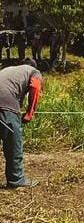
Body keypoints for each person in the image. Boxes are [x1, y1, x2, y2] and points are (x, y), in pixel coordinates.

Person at [0, 58, 42, 188]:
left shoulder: (9, 70)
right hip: (6, 104)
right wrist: (29, 114)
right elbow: (35, 88)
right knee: (13, 144)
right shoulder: (34, 71)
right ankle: (16, 179)